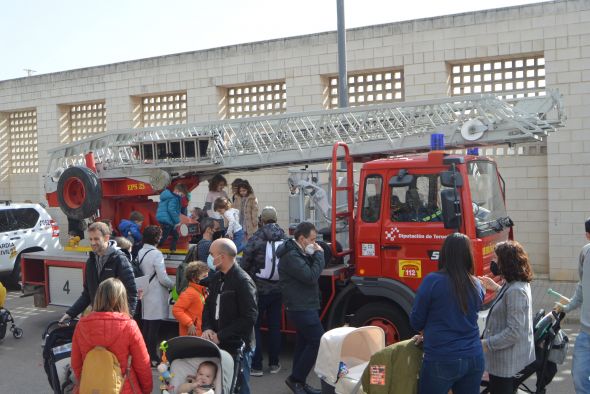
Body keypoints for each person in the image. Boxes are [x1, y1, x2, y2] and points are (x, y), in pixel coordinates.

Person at [410, 233, 485, 394]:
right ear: (468, 256)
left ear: (444, 254)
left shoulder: (432, 281)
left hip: (441, 358)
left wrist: (428, 332)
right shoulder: (477, 284)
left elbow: (416, 321)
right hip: (474, 357)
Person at [71, 278, 153, 394]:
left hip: (90, 388)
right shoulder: (129, 325)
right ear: (122, 299)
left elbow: (76, 363)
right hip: (124, 388)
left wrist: (91, 383)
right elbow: (142, 364)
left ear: (98, 297)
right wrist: (146, 390)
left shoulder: (81, 325)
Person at [201, 238, 258, 394]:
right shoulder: (216, 279)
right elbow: (208, 308)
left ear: (223, 256)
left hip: (238, 347)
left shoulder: (243, 281)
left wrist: (221, 335)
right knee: (222, 387)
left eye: (212, 254)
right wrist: (207, 328)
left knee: (240, 387)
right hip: (219, 344)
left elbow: (249, 317)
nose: (211, 259)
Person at [478, 241, 535, 394]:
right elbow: (509, 301)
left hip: (506, 364)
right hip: (505, 361)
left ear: (506, 262)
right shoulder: (515, 283)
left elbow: (513, 332)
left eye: (496, 258)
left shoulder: (516, 290)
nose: (493, 262)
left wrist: (485, 344)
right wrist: (496, 288)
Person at [276, 222, 324, 394]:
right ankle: (295, 379)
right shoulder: (291, 255)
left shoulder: (297, 251)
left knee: (303, 343)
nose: (315, 243)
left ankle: (299, 382)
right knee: (318, 341)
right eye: (312, 240)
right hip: (300, 306)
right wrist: (319, 255)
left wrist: (315, 252)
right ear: (302, 239)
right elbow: (310, 276)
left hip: (303, 304)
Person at [59, 222, 137, 325]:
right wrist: (70, 314)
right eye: (90, 239)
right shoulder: (91, 261)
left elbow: (131, 292)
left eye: (96, 239)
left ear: (106, 238)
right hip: (97, 319)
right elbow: (87, 294)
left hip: (116, 320)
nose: (92, 243)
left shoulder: (119, 259)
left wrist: (128, 317)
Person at [240, 206, 286, 377]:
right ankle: (274, 364)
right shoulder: (285, 237)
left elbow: (245, 262)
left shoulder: (256, 238)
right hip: (278, 289)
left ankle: (257, 366)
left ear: (261, 220)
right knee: (275, 326)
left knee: (256, 326)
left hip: (258, 289)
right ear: (276, 218)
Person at [555, 217, 590, 394]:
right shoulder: (585, 254)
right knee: (579, 376)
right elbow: (582, 287)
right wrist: (567, 307)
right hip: (586, 334)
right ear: (588, 236)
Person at [138, 225, 175, 366]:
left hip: (144, 292)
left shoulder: (141, 252)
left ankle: (144, 355)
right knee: (153, 328)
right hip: (155, 294)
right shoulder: (156, 254)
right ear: (157, 238)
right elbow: (163, 278)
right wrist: (173, 286)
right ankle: (152, 357)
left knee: (146, 326)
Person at [176, 218, 222, 293]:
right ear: (209, 230)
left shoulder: (201, 243)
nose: (219, 231)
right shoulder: (209, 245)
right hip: (208, 285)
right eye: (217, 229)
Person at [172, 261, 209, 336]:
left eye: (207, 276)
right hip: (191, 334)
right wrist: (189, 323)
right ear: (194, 278)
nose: (207, 279)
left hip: (198, 332)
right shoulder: (190, 292)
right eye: (204, 276)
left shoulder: (201, 291)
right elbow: (176, 310)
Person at [156, 183, 187, 252]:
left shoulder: (170, 197)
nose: (181, 197)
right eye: (181, 195)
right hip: (167, 220)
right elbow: (171, 210)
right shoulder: (174, 198)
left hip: (166, 219)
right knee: (164, 237)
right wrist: (177, 221)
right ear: (176, 191)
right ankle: (154, 248)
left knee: (175, 235)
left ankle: (173, 249)